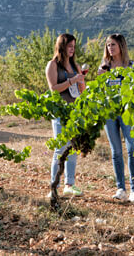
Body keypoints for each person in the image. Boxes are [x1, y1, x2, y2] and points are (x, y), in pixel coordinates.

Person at [97, 34, 134, 204]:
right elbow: (100, 92)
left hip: (128, 113)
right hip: (110, 114)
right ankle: (120, 188)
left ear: (121, 46)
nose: (110, 48)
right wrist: (100, 77)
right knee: (116, 151)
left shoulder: (131, 66)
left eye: (113, 44)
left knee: (132, 150)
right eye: (108, 45)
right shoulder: (104, 66)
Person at [45, 33, 85, 197]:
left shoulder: (74, 65)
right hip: (60, 111)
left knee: (73, 148)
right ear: (62, 46)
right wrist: (72, 81)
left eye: (74, 47)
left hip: (74, 111)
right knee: (60, 148)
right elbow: (53, 88)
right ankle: (54, 186)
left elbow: (81, 89)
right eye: (69, 46)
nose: (72, 49)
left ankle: (70, 184)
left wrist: (81, 80)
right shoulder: (53, 65)